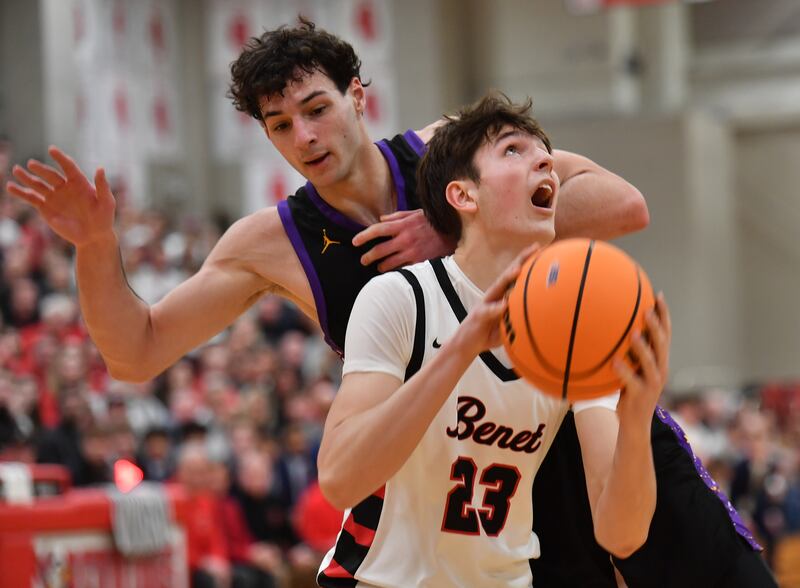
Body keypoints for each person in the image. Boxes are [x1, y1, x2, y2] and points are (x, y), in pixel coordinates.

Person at [5, 18, 646, 372]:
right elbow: (138, 350)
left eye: (317, 108)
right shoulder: (267, 243)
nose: (305, 135)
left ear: (358, 97)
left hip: (539, 408)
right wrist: (95, 247)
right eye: (281, 125)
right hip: (423, 465)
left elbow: (622, 204)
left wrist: (456, 228)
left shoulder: (451, 151)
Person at [315, 93, 670, 587]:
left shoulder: (576, 329)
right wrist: (461, 349)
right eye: (512, 151)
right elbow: (339, 479)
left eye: (543, 152)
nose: (545, 159)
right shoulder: (402, 297)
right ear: (463, 196)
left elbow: (622, 536)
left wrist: (634, 421)